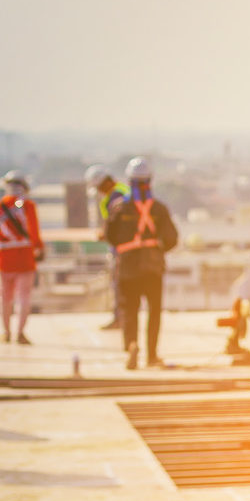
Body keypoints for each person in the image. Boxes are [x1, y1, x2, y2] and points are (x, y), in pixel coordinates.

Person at [105, 156, 178, 369]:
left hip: (127, 267)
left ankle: (132, 346)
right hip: (153, 267)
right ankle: (152, 355)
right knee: (154, 311)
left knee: (129, 310)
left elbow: (110, 236)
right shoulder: (159, 208)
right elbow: (172, 238)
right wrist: (157, 249)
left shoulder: (119, 208)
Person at [0, 171, 43, 344]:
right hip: (25, 259)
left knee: (4, 298)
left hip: (4, 260)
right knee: (24, 298)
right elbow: (34, 232)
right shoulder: (28, 206)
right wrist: (39, 248)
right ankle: (20, 333)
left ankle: (6, 332)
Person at [85, 164, 129, 329]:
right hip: (126, 248)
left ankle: (120, 318)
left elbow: (116, 225)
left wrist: (105, 234)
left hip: (121, 249)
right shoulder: (122, 191)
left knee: (119, 285)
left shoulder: (115, 197)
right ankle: (123, 318)